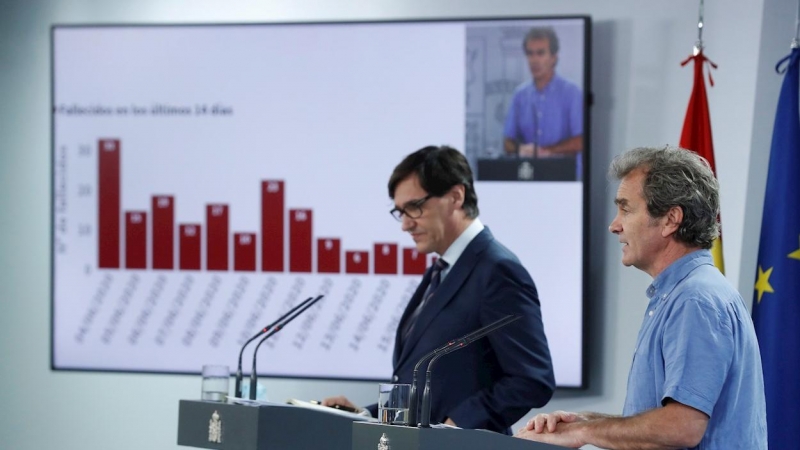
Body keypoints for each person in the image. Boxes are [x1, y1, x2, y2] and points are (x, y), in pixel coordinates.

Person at [516, 146, 767, 449]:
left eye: (626, 208)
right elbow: (664, 418)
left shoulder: (695, 300)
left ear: (671, 219)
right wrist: (584, 422)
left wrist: (584, 434)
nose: (614, 225)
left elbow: (683, 427)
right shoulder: (681, 294)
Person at [324, 145, 555, 433]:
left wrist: (457, 425)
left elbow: (532, 379)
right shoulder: (441, 270)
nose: (406, 224)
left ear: (456, 196)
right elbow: (430, 389)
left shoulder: (497, 270)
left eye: (414, 207)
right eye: (400, 212)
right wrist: (365, 415)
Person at [503, 27, 583, 178]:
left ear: (554, 57)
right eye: (530, 53)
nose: (534, 60)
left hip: (565, 179)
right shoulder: (520, 95)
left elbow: (580, 141)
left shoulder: (572, 92)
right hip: (529, 177)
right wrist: (520, 149)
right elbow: (508, 142)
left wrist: (546, 152)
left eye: (540, 53)